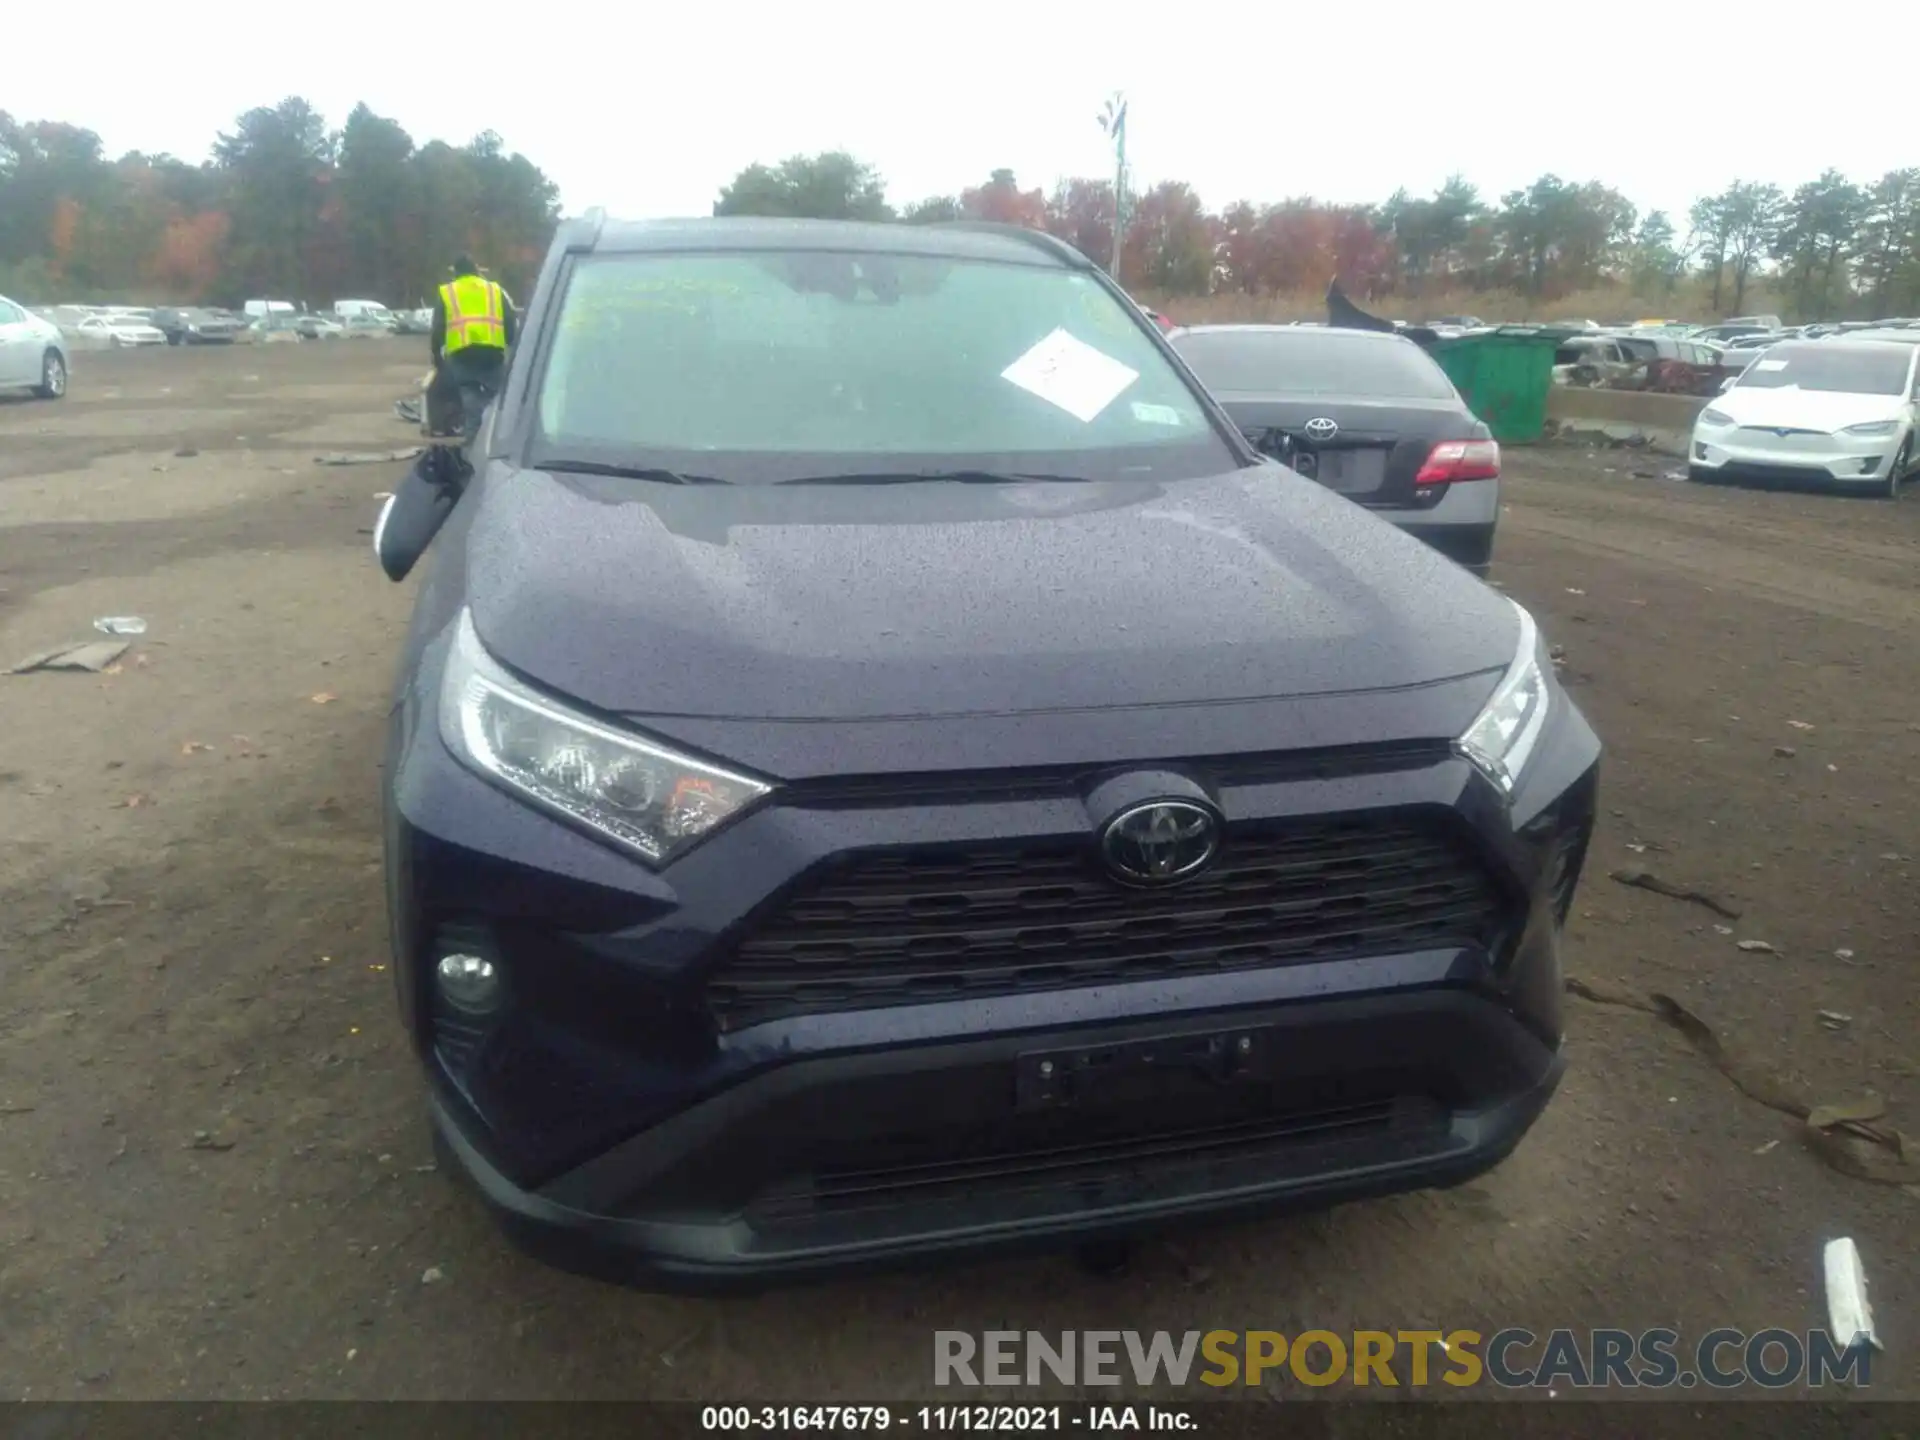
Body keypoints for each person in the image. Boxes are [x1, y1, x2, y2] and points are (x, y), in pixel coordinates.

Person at [430, 254, 518, 450]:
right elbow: (510, 319)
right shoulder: (494, 289)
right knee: (496, 395)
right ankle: (498, 437)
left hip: (463, 353)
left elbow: (438, 326)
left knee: (469, 393)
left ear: (456, 272)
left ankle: (473, 439)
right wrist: (512, 345)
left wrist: (436, 354)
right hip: (493, 352)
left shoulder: (448, 292)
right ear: (476, 270)